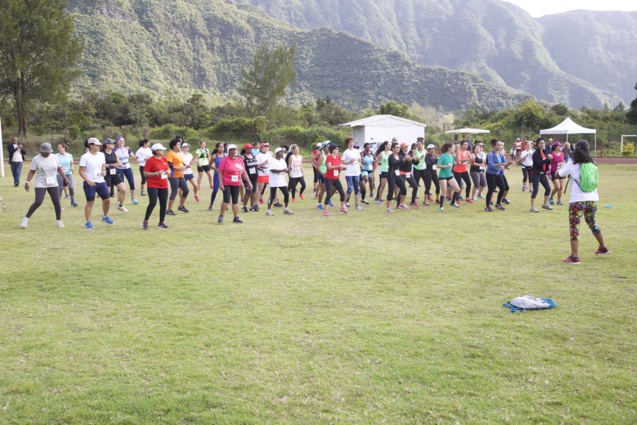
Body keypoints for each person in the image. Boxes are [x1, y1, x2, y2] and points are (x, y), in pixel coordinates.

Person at [554, 140, 610, 264]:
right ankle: (603, 247)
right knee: (592, 222)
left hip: (577, 200)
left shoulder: (572, 163)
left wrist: (561, 168)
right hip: (592, 199)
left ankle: (574, 256)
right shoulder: (593, 164)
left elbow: (558, 175)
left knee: (574, 228)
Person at [20, 143, 69, 228]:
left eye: (48, 152)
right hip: (41, 182)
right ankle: (25, 219)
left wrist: (65, 178)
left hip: (53, 182)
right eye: (45, 152)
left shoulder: (54, 157)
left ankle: (59, 221)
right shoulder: (36, 159)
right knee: (38, 201)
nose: (47, 153)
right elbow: (32, 171)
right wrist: (27, 182)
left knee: (57, 202)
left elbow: (59, 168)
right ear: (41, 151)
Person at [79, 138, 113, 229]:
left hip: (101, 181)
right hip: (89, 182)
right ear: (90, 145)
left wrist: (103, 170)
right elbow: (81, 171)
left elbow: (103, 165)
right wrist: (88, 180)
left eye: (99, 145)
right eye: (96, 145)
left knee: (107, 200)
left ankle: (105, 216)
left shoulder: (101, 155)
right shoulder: (85, 157)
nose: (98, 146)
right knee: (90, 202)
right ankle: (87, 222)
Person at [217, 144, 253, 223]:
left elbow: (243, 172)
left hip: (236, 183)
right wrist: (220, 183)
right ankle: (221, 215)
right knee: (226, 199)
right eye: (231, 150)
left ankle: (236, 217)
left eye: (235, 150)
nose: (233, 151)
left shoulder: (239, 160)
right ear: (229, 151)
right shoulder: (225, 160)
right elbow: (220, 171)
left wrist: (249, 182)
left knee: (235, 201)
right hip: (226, 182)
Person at [142, 143, 170, 229]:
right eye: (161, 150)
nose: (163, 151)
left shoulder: (164, 159)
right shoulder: (150, 160)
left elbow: (168, 168)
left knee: (163, 203)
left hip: (163, 184)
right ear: (156, 151)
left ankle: (161, 222)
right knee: (153, 202)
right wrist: (156, 173)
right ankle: (145, 221)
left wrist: (168, 171)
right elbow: (145, 173)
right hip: (153, 184)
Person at [484, 139, 512, 212]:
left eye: (500, 145)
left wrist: (509, 163)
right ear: (494, 146)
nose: (499, 146)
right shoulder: (491, 154)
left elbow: (504, 163)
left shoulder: (500, 154)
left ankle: (498, 204)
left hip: (497, 174)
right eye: (498, 145)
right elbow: (490, 165)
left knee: (503, 188)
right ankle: (487, 206)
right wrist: (500, 165)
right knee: (491, 190)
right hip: (490, 174)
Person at [266, 147, 294, 216]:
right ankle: (268, 210)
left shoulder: (282, 160)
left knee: (286, 193)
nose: (282, 153)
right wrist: (282, 170)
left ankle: (286, 208)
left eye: (282, 152)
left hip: (281, 180)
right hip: (274, 180)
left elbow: (285, 168)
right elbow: (272, 170)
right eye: (280, 152)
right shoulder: (272, 160)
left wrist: (288, 170)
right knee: (272, 195)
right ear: (277, 153)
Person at [103, 138, 128, 213]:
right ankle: (104, 211)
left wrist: (119, 164)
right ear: (107, 145)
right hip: (106, 174)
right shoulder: (102, 154)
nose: (113, 145)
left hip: (114, 173)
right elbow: (102, 165)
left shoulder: (114, 153)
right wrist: (113, 165)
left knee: (123, 189)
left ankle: (120, 206)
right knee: (106, 194)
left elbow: (119, 162)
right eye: (111, 143)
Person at [165, 138, 190, 215]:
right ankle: (169, 210)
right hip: (173, 176)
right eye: (178, 144)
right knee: (174, 192)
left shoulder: (179, 153)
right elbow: (170, 165)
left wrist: (186, 166)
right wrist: (179, 168)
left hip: (180, 175)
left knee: (186, 190)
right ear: (174, 146)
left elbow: (181, 163)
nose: (180, 146)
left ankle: (181, 206)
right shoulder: (170, 153)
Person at [530, 138, 553, 213]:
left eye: (543, 143)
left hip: (542, 173)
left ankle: (545, 204)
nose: (542, 144)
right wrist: (547, 160)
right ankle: (532, 207)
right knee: (536, 190)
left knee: (548, 188)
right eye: (540, 143)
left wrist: (549, 160)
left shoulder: (544, 152)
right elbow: (538, 163)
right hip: (535, 173)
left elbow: (546, 163)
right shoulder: (535, 154)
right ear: (537, 144)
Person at [323, 144, 347, 216]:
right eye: (336, 149)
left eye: (338, 149)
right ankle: (325, 211)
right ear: (332, 150)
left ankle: (342, 207)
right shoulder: (329, 157)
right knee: (329, 194)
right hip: (329, 178)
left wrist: (343, 167)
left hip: (336, 178)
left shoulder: (338, 157)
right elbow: (329, 167)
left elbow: (340, 167)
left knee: (342, 193)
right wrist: (339, 166)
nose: (337, 150)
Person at [114, 137, 139, 205]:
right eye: (120, 141)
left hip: (128, 167)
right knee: (120, 184)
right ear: (117, 142)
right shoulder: (115, 150)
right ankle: (119, 200)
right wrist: (118, 164)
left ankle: (133, 198)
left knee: (132, 183)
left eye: (123, 141)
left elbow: (133, 157)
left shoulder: (127, 148)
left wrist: (136, 157)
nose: (122, 142)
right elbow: (115, 159)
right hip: (120, 168)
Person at [437, 142, 461, 211]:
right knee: (444, 191)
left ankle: (453, 202)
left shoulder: (452, 155)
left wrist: (457, 164)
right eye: (453, 148)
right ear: (449, 148)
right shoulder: (443, 156)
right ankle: (441, 207)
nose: (454, 149)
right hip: (443, 176)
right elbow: (438, 165)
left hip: (449, 175)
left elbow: (453, 164)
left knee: (458, 189)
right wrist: (446, 166)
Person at [341, 137, 363, 211]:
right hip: (349, 173)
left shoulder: (356, 151)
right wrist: (349, 162)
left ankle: (357, 205)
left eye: (352, 142)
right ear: (347, 144)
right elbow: (342, 161)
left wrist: (360, 161)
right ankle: (344, 203)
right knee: (350, 188)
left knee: (357, 189)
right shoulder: (346, 152)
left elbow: (359, 159)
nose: (352, 143)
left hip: (356, 172)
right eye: (350, 142)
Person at [453, 140, 473, 204]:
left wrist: (472, 158)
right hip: (457, 171)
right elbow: (459, 160)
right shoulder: (458, 152)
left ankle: (467, 198)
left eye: (467, 144)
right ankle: (456, 200)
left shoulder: (467, 152)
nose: (466, 146)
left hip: (464, 170)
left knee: (469, 184)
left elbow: (472, 158)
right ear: (461, 145)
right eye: (464, 144)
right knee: (459, 186)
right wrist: (468, 159)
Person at [208, 142, 225, 210]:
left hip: (224, 175)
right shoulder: (214, 156)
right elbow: (209, 165)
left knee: (225, 190)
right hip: (217, 175)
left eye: (223, 147)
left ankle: (225, 203)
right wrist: (215, 169)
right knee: (215, 190)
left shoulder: (226, 155)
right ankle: (211, 204)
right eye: (220, 147)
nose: (221, 148)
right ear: (217, 148)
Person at [548, 141, 566, 206]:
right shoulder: (552, 154)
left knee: (561, 187)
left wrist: (565, 170)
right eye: (559, 145)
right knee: (557, 187)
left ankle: (559, 200)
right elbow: (549, 164)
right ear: (555, 147)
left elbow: (563, 162)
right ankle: (551, 198)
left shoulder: (562, 153)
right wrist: (549, 173)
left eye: (561, 145)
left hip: (561, 172)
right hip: (554, 172)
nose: (560, 146)